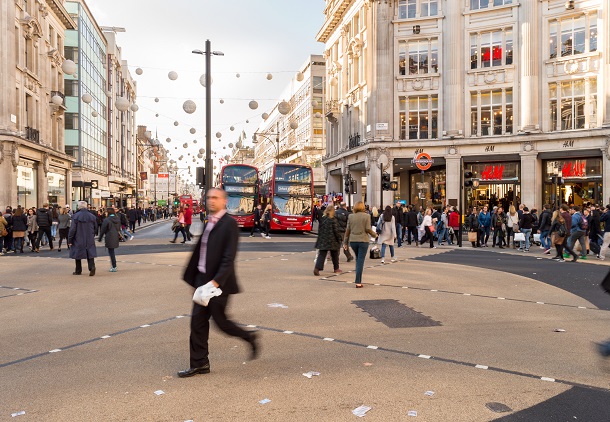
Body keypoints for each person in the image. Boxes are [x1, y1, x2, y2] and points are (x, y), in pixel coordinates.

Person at [179, 188, 258, 378]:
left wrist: (214, 284)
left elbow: (228, 258)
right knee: (197, 323)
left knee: (222, 323)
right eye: (208, 198)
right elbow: (201, 252)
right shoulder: (209, 221)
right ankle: (200, 364)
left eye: (215, 198)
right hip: (202, 280)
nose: (211, 201)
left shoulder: (229, 224)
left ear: (224, 201)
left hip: (218, 285)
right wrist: (195, 280)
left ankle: (249, 337)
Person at [343, 201, 378, 288]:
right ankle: (358, 281)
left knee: (358, 259)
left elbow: (348, 230)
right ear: (363, 207)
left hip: (353, 241)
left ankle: (358, 279)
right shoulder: (367, 216)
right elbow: (368, 229)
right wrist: (375, 235)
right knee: (360, 260)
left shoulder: (351, 216)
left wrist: (345, 242)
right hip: (363, 240)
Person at [68, 201, 98, 276]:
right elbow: (96, 227)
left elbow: (72, 229)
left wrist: (70, 239)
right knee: (90, 252)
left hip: (78, 237)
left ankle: (78, 270)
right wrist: (93, 234)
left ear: (79, 207)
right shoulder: (92, 216)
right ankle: (92, 267)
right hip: (89, 237)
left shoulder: (76, 216)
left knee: (77, 252)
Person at [313, 206, 343, 275]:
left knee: (322, 254)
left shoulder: (323, 219)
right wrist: (339, 239)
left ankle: (317, 268)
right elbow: (336, 231)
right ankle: (336, 268)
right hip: (332, 240)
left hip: (323, 239)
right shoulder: (333, 219)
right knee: (335, 255)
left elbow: (320, 230)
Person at [98, 207, 122, 272]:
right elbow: (119, 228)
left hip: (109, 236)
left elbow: (103, 229)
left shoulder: (107, 220)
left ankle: (114, 266)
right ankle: (114, 266)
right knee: (112, 252)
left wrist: (100, 238)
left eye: (106, 212)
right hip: (115, 236)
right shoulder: (117, 219)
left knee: (111, 252)